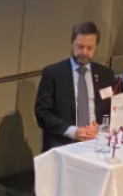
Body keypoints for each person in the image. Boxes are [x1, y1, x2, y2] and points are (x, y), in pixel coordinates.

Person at [35, 22, 116, 151]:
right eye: (80, 46)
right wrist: (73, 132)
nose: (84, 52)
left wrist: (101, 128)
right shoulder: (53, 74)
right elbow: (42, 114)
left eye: (89, 48)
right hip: (64, 144)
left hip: (98, 142)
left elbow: (113, 110)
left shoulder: (105, 74)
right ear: (72, 43)